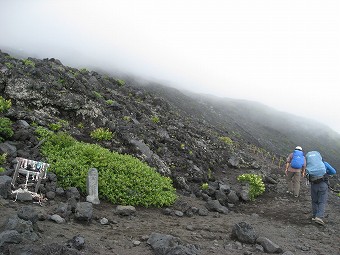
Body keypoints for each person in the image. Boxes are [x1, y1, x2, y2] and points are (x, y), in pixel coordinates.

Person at [305, 151, 337, 225]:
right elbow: (333, 171)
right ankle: (319, 217)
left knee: (314, 201)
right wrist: (326, 172)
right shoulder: (324, 164)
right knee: (322, 201)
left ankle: (314, 216)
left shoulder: (310, 165)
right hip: (323, 184)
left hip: (313, 185)